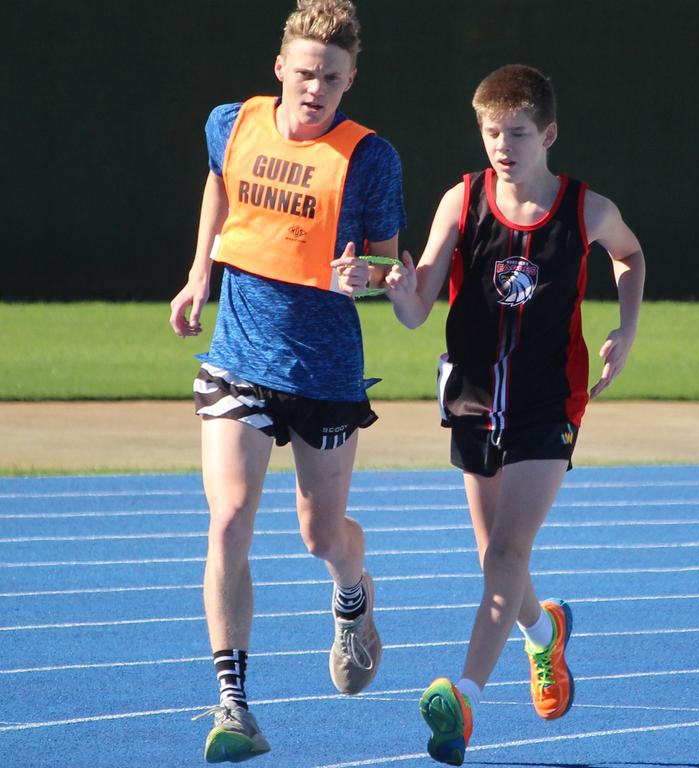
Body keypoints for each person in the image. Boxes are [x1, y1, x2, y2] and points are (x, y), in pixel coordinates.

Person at [381, 64, 645, 764]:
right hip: (472, 396)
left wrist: (627, 325)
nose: (503, 145)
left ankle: (464, 695)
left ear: (549, 134)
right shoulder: (461, 201)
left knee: (505, 553)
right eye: (491, 131)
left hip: (546, 403)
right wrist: (395, 287)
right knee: (496, 561)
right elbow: (415, 310)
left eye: (518, 133)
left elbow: (630, 255)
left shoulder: (584, 210)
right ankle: (543, 635)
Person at [169, 1, 405, 762]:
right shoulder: (231, 123)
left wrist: (363, 274)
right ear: (281, 69)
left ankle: (353, 598)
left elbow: (386, 264)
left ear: (350, 81)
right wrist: (200, 272)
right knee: (229, 519)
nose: (316, 89)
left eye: (331, 78)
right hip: (239, 356)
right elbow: (218, 183)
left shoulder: (370, 158)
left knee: (320, 537)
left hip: (325, 370)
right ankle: (233, 704)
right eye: (305, 74)